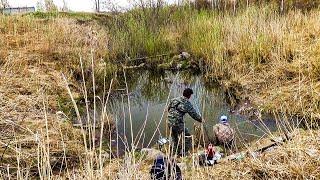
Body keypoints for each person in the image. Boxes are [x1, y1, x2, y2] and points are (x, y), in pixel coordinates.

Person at [167, 88, 202, 156]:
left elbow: (168, 108)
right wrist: (201, 119)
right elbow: (193, 114)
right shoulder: (187, 103)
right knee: (187, 137)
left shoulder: (174, 99)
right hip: (177, 123)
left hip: (169, 121)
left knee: (174, 138)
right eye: (190, 95)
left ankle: (174, 153)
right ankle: (183, 153)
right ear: (189, 96)